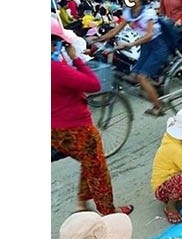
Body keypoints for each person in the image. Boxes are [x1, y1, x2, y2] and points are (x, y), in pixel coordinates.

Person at [51, 17, 134, 216]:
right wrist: (77, 59)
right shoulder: (56, 69)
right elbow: (94, 85)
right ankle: (108, 212)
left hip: (55, 131)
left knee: (89, 161)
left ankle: (82, 202)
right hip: (76, 128)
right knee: (98, 170)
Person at [97, 0, 171, 116]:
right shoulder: (129, 13)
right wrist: (98, 39)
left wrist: (130, 44)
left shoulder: (148, 12)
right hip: (146, 47)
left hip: (157, 46)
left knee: (141, 77)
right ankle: (156, 88)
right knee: (133, 76)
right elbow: (116, 30)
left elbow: (149, 34)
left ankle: (158, 106)